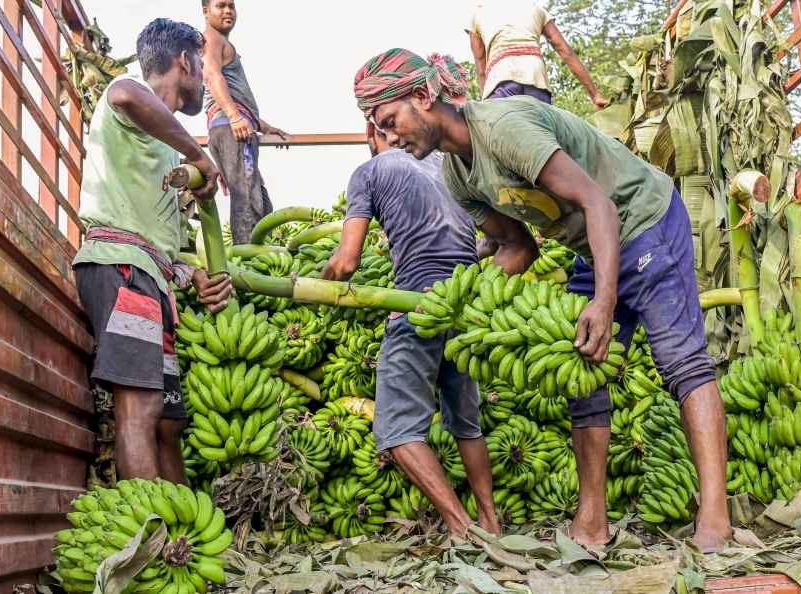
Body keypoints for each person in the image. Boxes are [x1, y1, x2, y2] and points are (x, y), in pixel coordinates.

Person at [351, 49, 733, 551]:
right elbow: (518, 248)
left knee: (680, 363)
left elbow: (598, 202)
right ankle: (592, 519)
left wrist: (603, 300)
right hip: (588, 245)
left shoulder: (503, 127)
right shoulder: (457, 176)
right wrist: (451, 303)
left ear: (424, 97)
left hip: (642, 219)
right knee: (583, 372)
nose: (389, 138)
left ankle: (715, 516)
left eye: (390, 121)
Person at [73, 19, 233, 483]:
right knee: (140, 407)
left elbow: (155, 236)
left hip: (148, 274)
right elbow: (125, 94)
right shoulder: (125, 93)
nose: (204, 79)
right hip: (121, 268)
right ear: (184, 62)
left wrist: (191, 276)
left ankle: (182, 527)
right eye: (201, 68)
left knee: (167, 420)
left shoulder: (162, 150)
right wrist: (200, 155)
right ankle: (146, 536)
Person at [322, 122, 500, 538]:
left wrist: (323, 276)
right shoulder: (448, 166)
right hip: (465, 309)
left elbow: (347, 262)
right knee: (466, 425)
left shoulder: (370, 172)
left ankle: (461, 527)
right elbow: (491, 243)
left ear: (371, 130)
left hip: (414, 306)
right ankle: (491, 521)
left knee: (397, 431)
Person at [202, 0, 289, 244]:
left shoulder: (222, 42)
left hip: (234, 127)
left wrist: (264, 126)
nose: (228, 11)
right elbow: (212, 76)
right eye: (220, 6)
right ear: (206, 11)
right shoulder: (212, 39)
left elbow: (235, 94)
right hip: (231, 128)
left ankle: (262, 253)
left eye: (231, 6)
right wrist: (234, 116)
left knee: (259, 201)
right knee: (246, 202)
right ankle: (247, 265)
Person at [467, 0, 608, 109]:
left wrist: (485, 104)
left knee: (498, 139)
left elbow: (481, 67)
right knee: (542, 136)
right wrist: (595, 95)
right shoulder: (536, 9)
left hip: (500, 78)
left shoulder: (478, 15)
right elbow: (566, 51)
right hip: (535, 77)